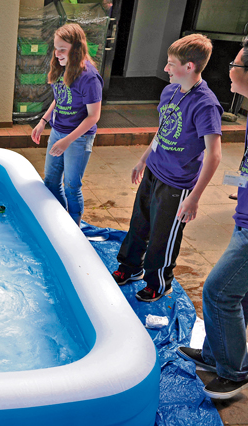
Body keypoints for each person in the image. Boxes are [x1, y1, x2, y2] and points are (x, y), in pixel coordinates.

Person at [178, 33, 248, 400]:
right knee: (240, 291)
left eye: (234, 64)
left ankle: (235, 374)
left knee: (218, 291)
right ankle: (216, 354)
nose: (229, 69)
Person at [111, 34, 222, 302]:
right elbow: (163, 130)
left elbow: (214, 155)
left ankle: (158, 283)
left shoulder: (206, 104)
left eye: (171, 64)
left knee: (164, 235)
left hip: (178, 182)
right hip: (154, 170)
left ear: (190, 66)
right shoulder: (169, 91)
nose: (165, 69)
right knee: (139, 222)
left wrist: (194, 197)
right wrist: (144, 159)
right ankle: (130, 267)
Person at [31, 23, 103, 226]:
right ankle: (61, 223)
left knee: (71, 186)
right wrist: (43, 121)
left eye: (62, 49)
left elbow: (93, 116)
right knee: (51, 182)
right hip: (58, 131)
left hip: (79, 138)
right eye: (56, 48)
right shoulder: (61, 67)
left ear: (76, 48)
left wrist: (67, 141)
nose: (57, 53)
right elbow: (60, 98)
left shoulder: (89, 78)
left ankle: (75, 229)